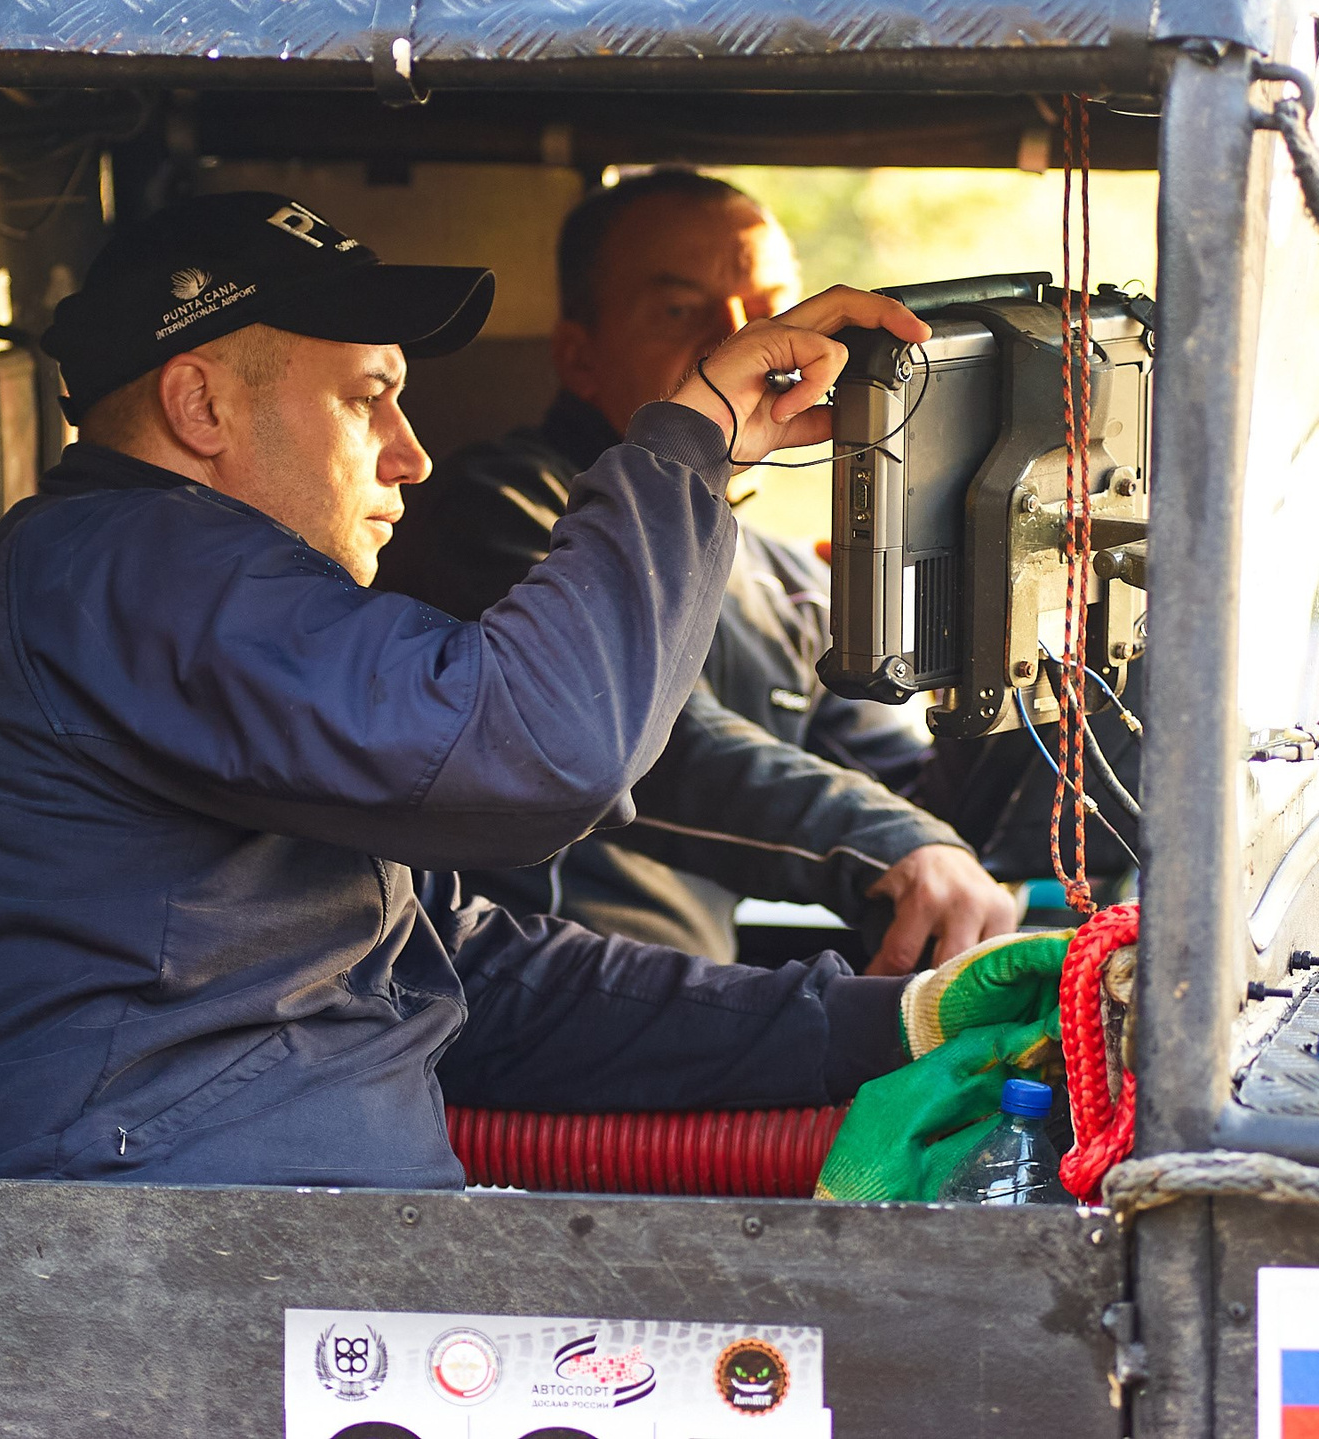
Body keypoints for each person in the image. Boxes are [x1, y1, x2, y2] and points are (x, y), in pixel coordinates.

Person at [0, 191, 940, 1188]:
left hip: (255, 1255)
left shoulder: (183, 597)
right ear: (201, 405)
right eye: (367, 399)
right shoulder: (128, 568)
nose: (411, 455)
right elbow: (547, 752)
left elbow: (462, 977)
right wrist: (688, 443)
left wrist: (897, 1019)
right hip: (137, 1280)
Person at [377, 170, 1020, 972]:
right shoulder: (498, 505)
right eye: (681, 311)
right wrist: (886, 839)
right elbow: (647, 743)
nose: (739, 340)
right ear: (579, 357)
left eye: (769, 308)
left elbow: (920, 808)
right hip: (519, 1007)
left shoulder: (782, 576)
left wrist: (1016, 631)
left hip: (702, 1009)